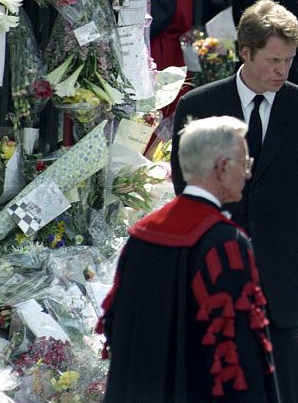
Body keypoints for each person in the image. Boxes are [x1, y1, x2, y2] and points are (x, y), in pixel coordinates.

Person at [171, 0, 298, 403]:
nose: (283, 71)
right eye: (273, 60)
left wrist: (283, 233)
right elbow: (185, 188)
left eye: (289, 60)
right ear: (245, 53)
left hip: (283, 272)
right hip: (216, 270)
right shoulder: (199, 106)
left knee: (287, 387)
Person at [100, 116, 278, 402]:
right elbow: (238, 352)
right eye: (244, 164)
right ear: (221, 168)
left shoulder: (141, 236)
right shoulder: (225, 244)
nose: (247, 174)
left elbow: (117, 325)